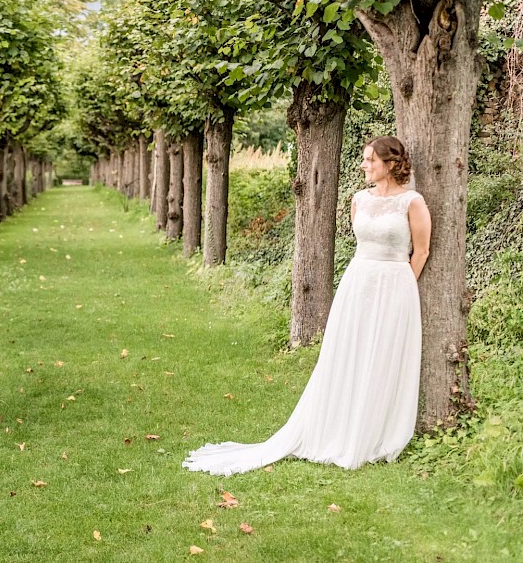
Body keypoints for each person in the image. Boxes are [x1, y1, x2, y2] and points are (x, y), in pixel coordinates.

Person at [183, 136, 431, 476]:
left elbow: (421, 251)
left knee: (384, 353)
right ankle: (340, 424)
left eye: (370, 160)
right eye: (364, 159)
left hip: (396, 285)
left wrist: (403, 286)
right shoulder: (359, 199)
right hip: (358, 282)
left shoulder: (412, 202)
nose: (364, 166)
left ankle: (374, 430)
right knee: (350, 353)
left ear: (389, 164)